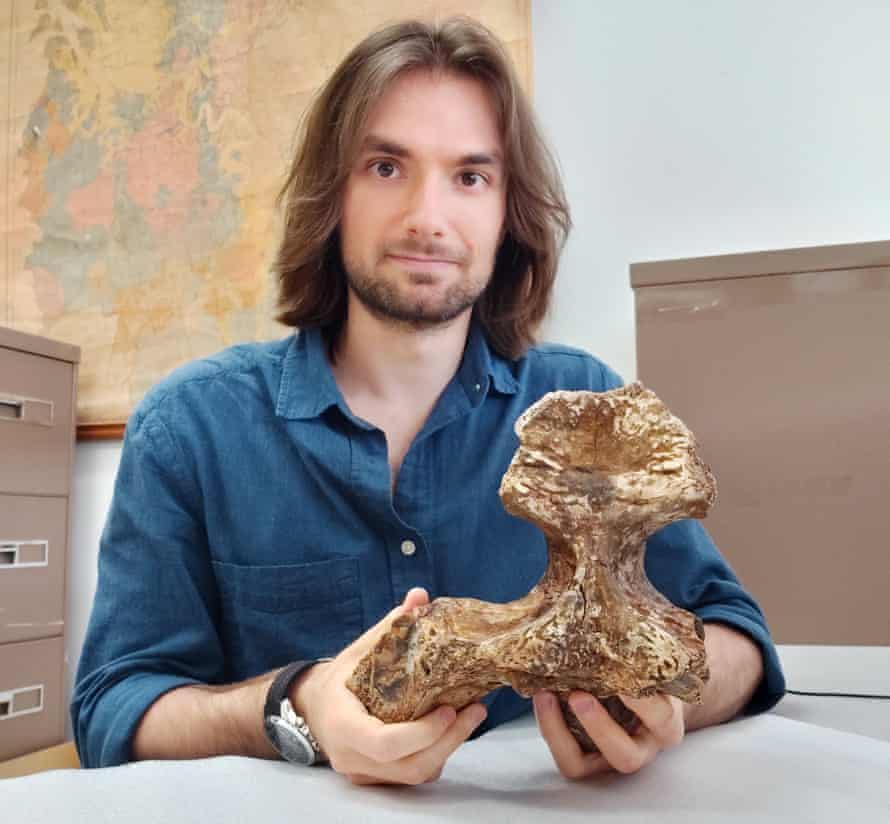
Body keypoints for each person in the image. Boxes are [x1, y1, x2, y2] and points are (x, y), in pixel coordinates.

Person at [72, 16, 785, 783]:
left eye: (470, 176)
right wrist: (297, 705)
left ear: (509, 211)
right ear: (331, 194)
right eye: (386, 167)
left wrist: (671, 700)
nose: (427, 218)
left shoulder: (590, 412)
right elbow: (115, 707)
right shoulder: (191, 430)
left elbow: (738, 637)